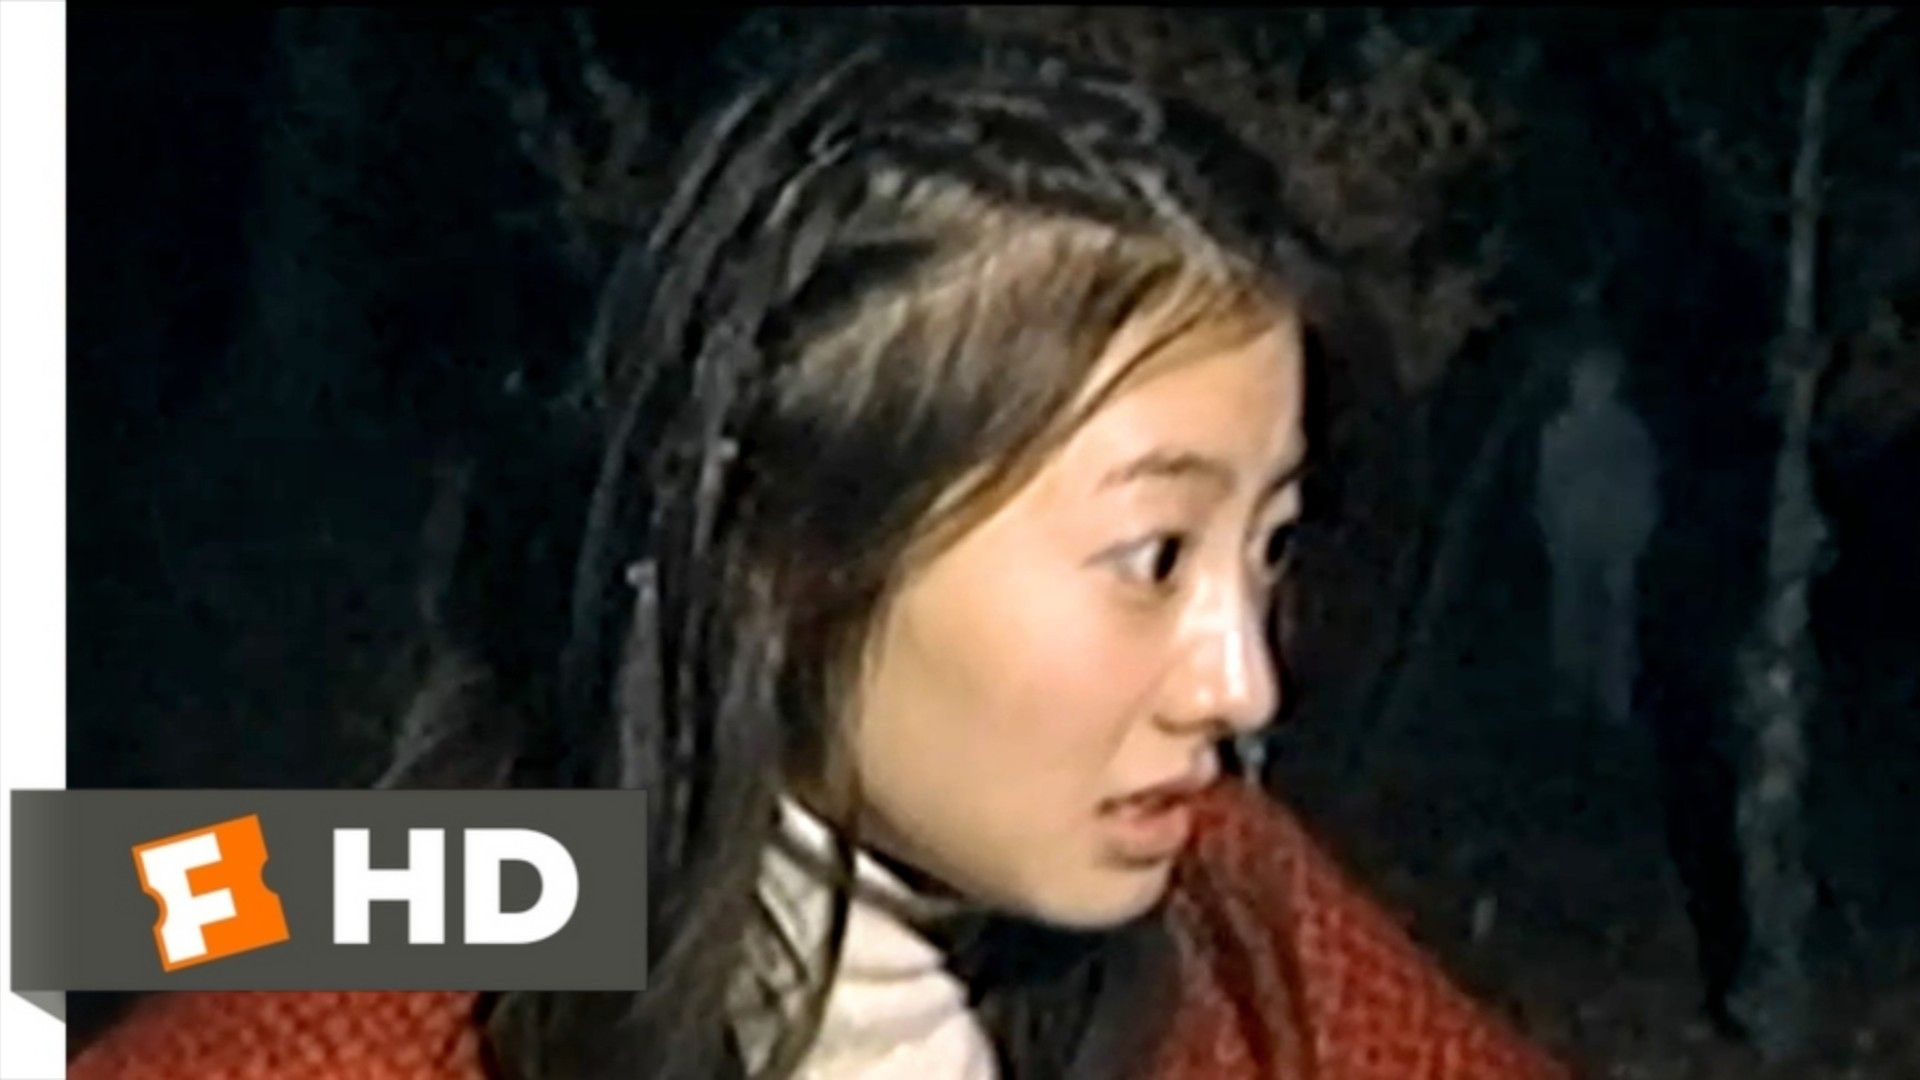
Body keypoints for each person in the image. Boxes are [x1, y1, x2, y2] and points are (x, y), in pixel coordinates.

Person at [71, 22, 1566, 1080]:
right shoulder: (382, 940)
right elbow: (113, 896)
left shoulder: (1242, 926)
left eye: (1273, 544)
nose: (1241, 686)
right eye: (1154, 556)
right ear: (780, 547)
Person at [1535, 345, 1660, 728]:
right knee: (1570, 622)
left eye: (1596, 377)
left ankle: (1614, 702)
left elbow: (1644, 489)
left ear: (1612, 383)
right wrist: (1551, 533)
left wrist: (1635, 539)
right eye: (1582, 377)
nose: (1586, 385)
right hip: (1572, 539)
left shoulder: (1628, 432)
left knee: (1616, 622)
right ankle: (1569, 698)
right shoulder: (1559, 430)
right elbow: (1547, 489)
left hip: (1616, 541)